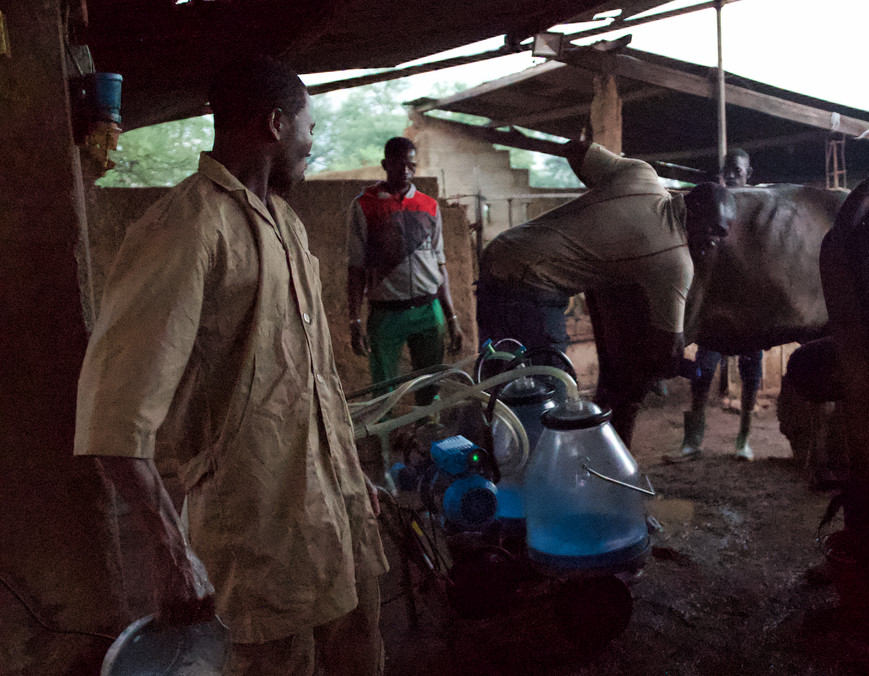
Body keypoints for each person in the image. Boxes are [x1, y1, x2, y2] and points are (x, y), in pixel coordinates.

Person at [74, 57, 388, 675]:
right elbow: (114, 414)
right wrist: (172, 554)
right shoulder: (187, 226)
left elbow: (310, 381)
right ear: (275, 124)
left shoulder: (287, 225)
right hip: (258, 530)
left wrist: (351, 478)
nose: (311, 144)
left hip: (335, 514)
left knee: (360, 651)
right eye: (309, 128)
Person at [475, 136, 729, 445]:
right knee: (549, 389)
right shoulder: (675, 261)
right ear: (696, 210)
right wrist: (676, 369)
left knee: (498, 378)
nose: (716, 241)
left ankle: (483, 463)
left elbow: (574, 148)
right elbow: (668, 348)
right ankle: (534, 475)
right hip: (531, 283)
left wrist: (599, 195)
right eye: (714, 230)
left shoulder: (642, 175)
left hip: (499, 254)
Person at [347, 136, 464, 403]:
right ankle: (386, 442)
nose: (406, 171)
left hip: (428, 309)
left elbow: (440, 264)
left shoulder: (429, 206)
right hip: (386, 314)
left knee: (431, 383)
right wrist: (354, 321)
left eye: (411, 165)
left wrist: (451, 318)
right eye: (399, 165)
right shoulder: (364, 205)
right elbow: (355, 268)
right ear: (385, 164)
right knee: (383, 389)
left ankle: (427, 435)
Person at [664, 148, 764, 463]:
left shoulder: (759, 209)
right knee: (703, 371)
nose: (730, 175)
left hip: (749, 306)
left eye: (736, 169)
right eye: (726, 170)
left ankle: (744, 439)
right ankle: (693, 440)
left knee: (751, 372)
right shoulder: (714, 206)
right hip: (716, 306)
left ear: (749, 172)